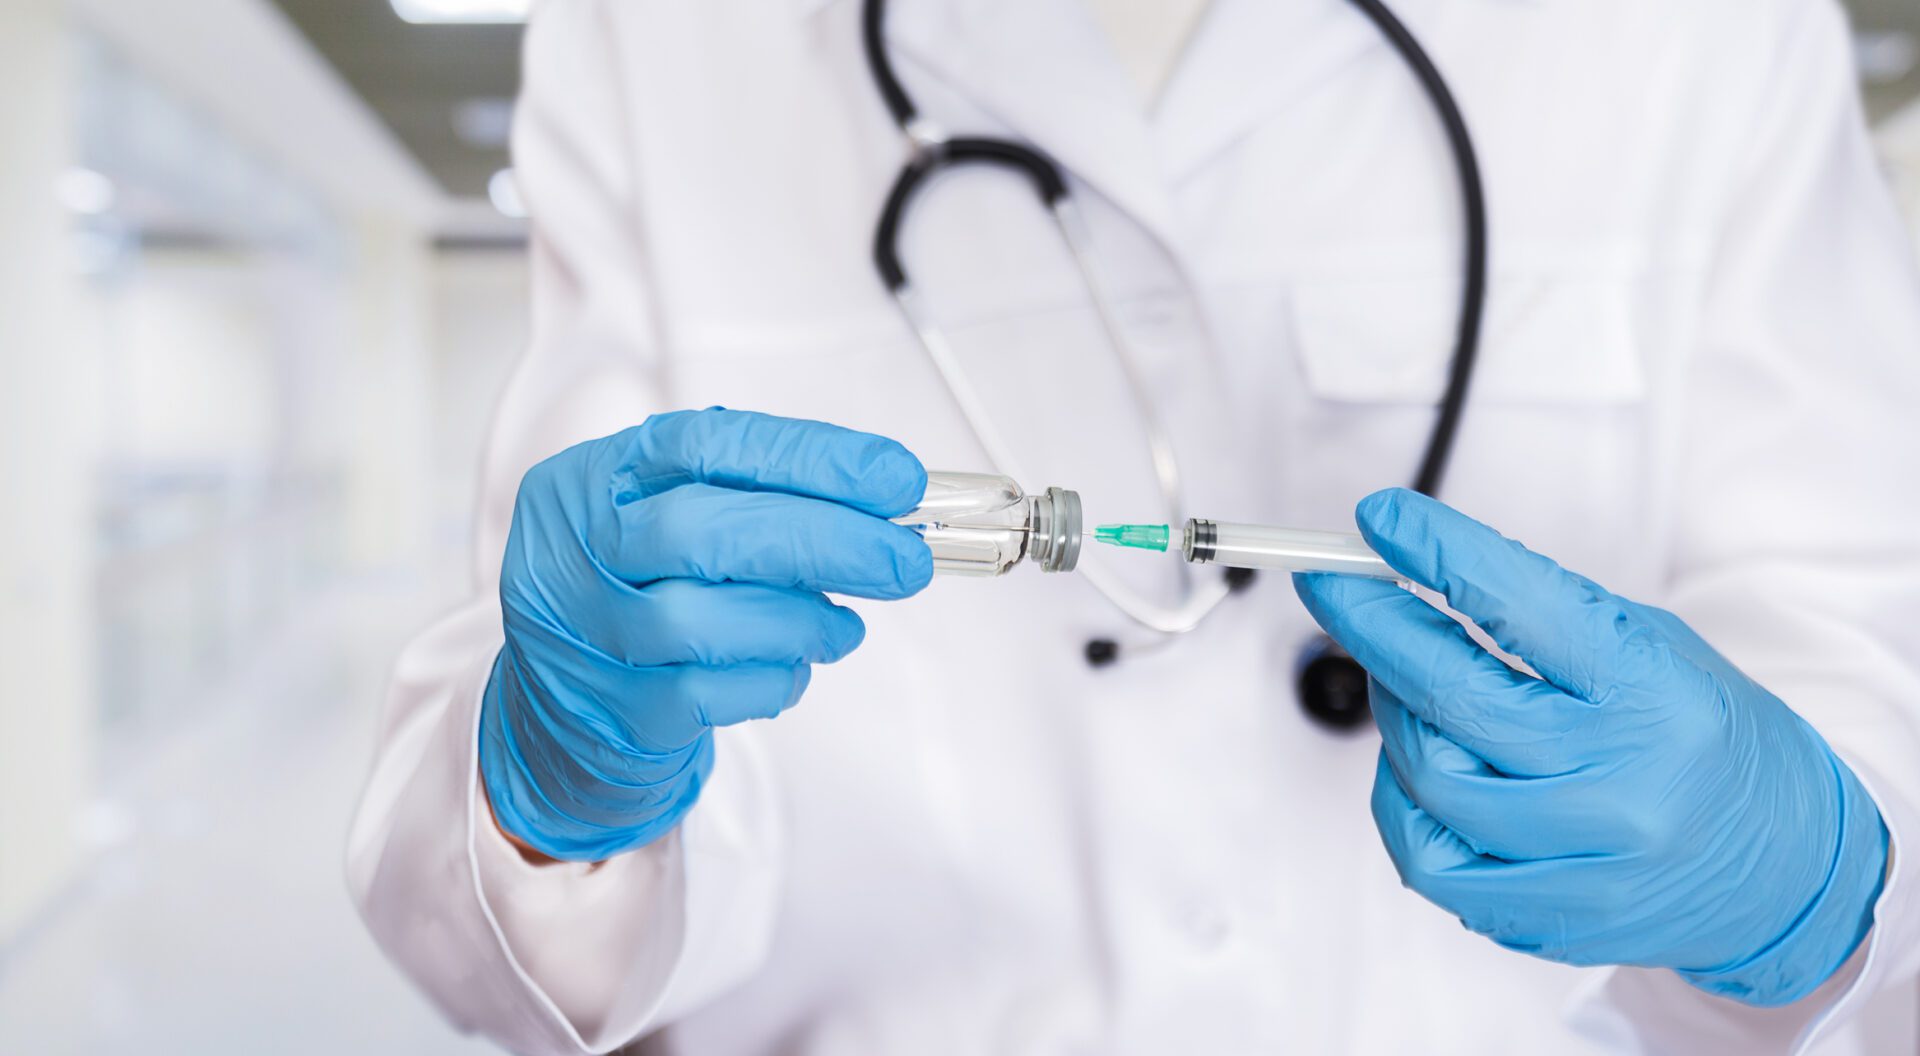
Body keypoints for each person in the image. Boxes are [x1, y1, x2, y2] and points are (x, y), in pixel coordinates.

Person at [346, 0, 1920, 1052]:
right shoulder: (665, 39)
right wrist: (560, 799)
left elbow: (1860, 625)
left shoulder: (1693, 32)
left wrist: (1807, 871)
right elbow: (525, 884)